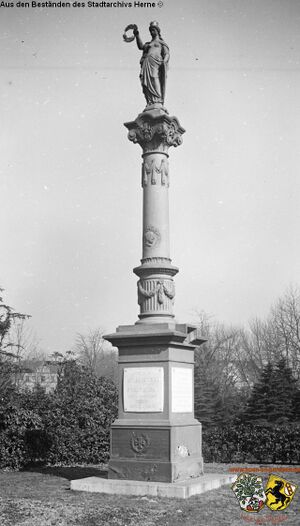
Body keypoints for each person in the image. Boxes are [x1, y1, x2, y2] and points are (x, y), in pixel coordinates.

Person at [133, 21, 170, 107]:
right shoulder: (149, 44)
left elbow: (166, 53)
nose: (151, 32)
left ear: (157, 31)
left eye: (153, 30)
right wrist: (137, 35)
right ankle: (150, 101)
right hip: (147, 63)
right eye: (150, 30)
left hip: (157, 63)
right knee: (146, 82)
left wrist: (164, 61)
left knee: (154, 78)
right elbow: (141, 46)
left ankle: (158, 100)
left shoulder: (161, 43)